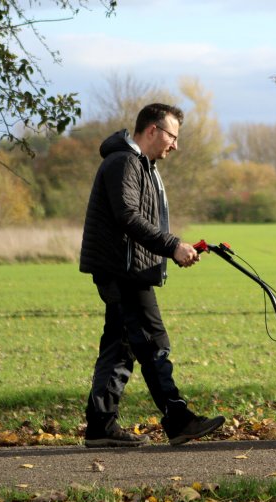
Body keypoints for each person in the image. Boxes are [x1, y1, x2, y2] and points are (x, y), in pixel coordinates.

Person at [79, 103, 225, 447]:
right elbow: (127, 216)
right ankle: (178, 419)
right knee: (153, 342)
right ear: (153, 131)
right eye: (172, 136)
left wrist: (170, 249)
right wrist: (172, 245)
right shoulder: (124, 162)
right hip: (124, 271)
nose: (175, 145)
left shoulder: (143, 166)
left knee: (120, 347)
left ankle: (100, 426)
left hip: (130, 269)